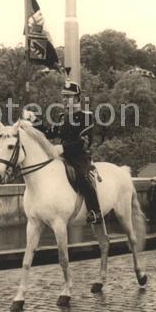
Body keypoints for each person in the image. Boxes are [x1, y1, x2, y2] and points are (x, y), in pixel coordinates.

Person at [47, 78, 102, 225]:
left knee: (82, 175)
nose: (64, 100)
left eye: (68, 97)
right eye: (63, 96)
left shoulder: (86, 116)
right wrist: (35, 122)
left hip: (79, 157)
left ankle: (94, 211)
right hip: (63, 156)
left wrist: (63, 147)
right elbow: (50, 133)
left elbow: (84, 142)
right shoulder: (62, 117)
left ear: (77, 98)